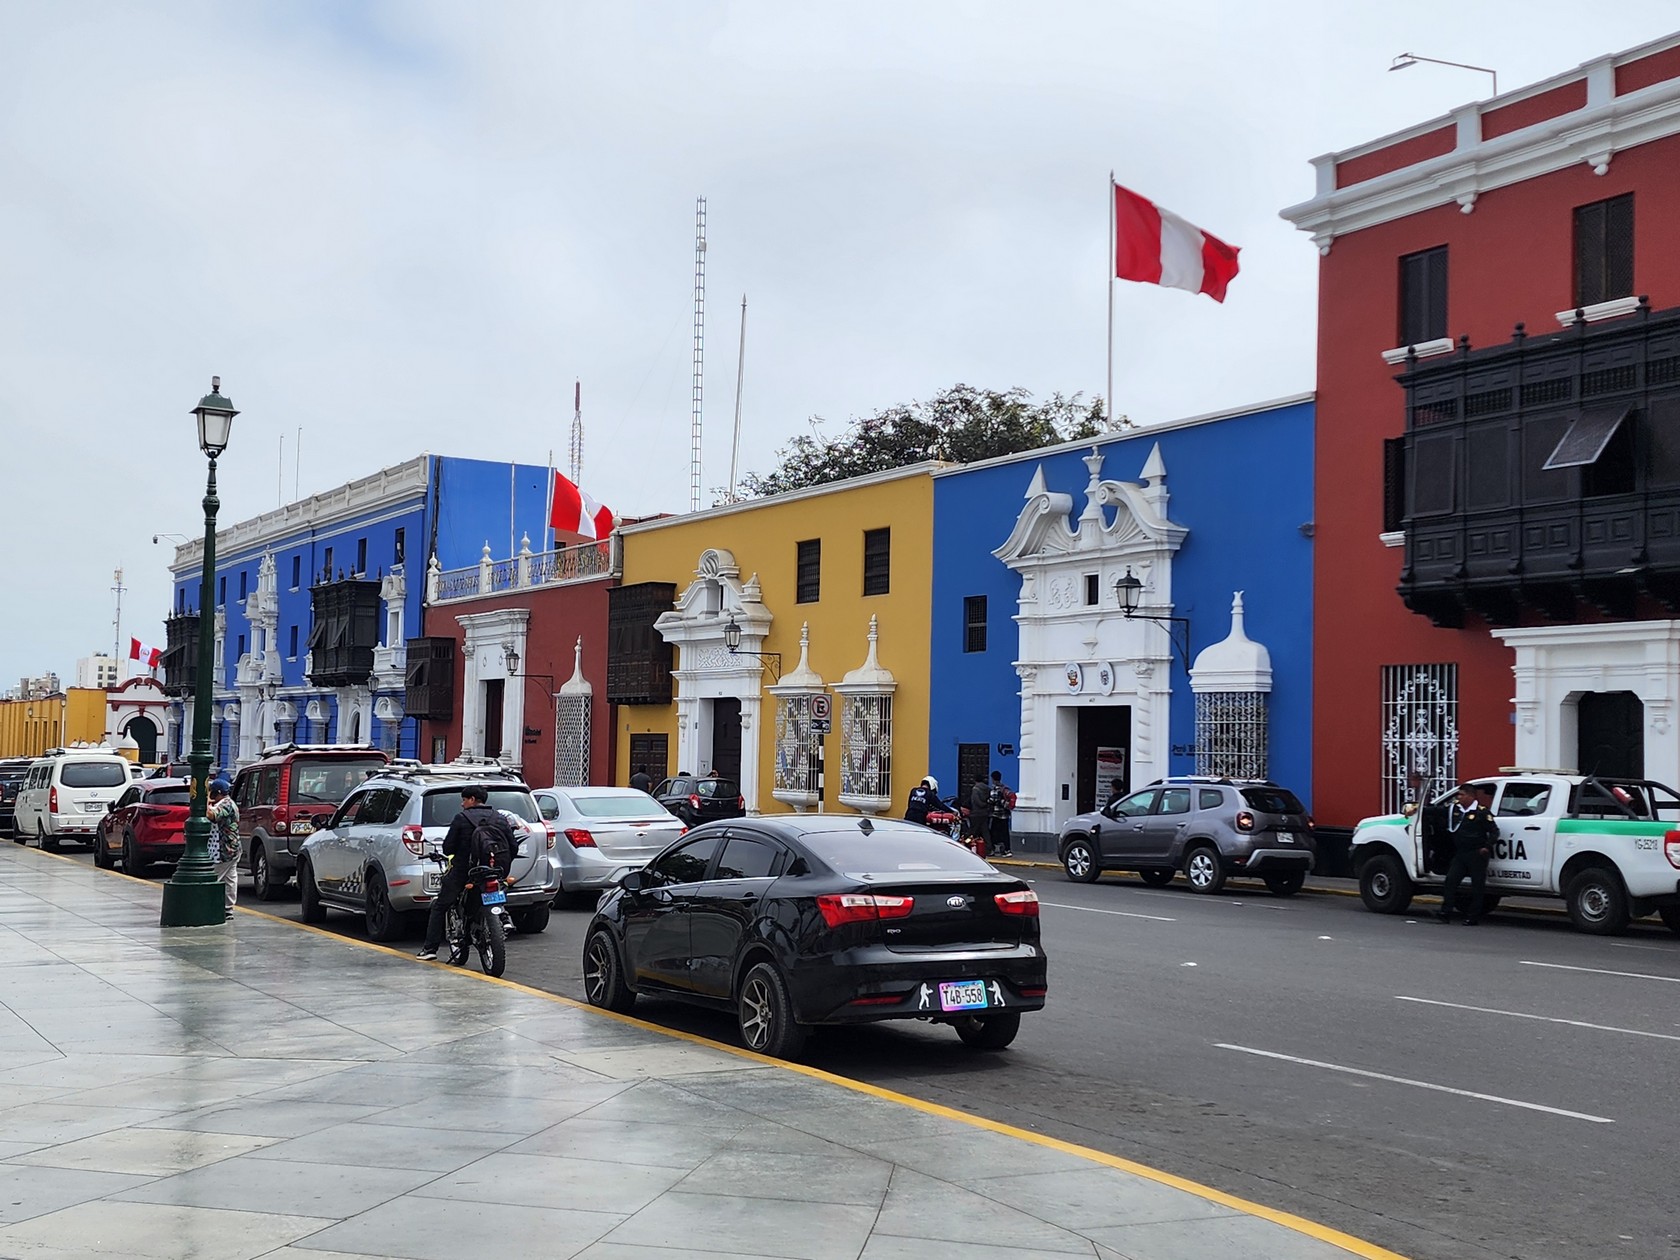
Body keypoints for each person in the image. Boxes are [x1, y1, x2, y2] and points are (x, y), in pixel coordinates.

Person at [417, 784, 514, 963]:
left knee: (440, 906)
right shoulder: (499, 818)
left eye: (464, 800)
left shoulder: (461, 818)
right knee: (496, 891)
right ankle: (504, 917)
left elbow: (448, 848)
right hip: (494, 870)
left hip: (465, 871)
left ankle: (430, 949)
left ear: (472, 799)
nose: (462, 804)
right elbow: (512, 846)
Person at [1436, 784, 1497, 925]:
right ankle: (1445, 912)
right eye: (1459, 795)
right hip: (1461, 853)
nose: (1459, 797)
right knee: (1450, 881)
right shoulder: (1455, 810)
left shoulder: (1482, 812)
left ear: (1471, 796)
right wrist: (1416, 809)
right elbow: (1436, 811)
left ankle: (1473, 917)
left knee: (1477, 886)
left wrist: (1487, 847)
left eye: (1462, 795)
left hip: (1476, 854)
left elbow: (1494, 831)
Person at [207, 779, 241, 914]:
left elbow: (212, 816)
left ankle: (209, 906)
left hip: (225, 849)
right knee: (230, 878)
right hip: (231, 847)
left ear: (218, 793)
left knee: (213, 877)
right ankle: (228, 908)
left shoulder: (226, 804)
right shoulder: (225, 803)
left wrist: (204, 801)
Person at [987, 770, 1015, 856]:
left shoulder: (995, 789)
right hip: (1005, 815)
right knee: (1005, 833)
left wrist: (987, 801)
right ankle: (1007, 850)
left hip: (997, 814)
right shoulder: (1005, 788)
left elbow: (992, 800)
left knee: (993, 832)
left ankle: (992, 849)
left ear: (993, 779)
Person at [969, 775, 993, 849]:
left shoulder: (975, 789)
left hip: (976, 813)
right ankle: (989, 848)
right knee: (985, 831)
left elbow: (976, 801)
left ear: (975, 781)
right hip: (985, 813)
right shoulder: (988, 789)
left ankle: (970, 845)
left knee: (973, 831)